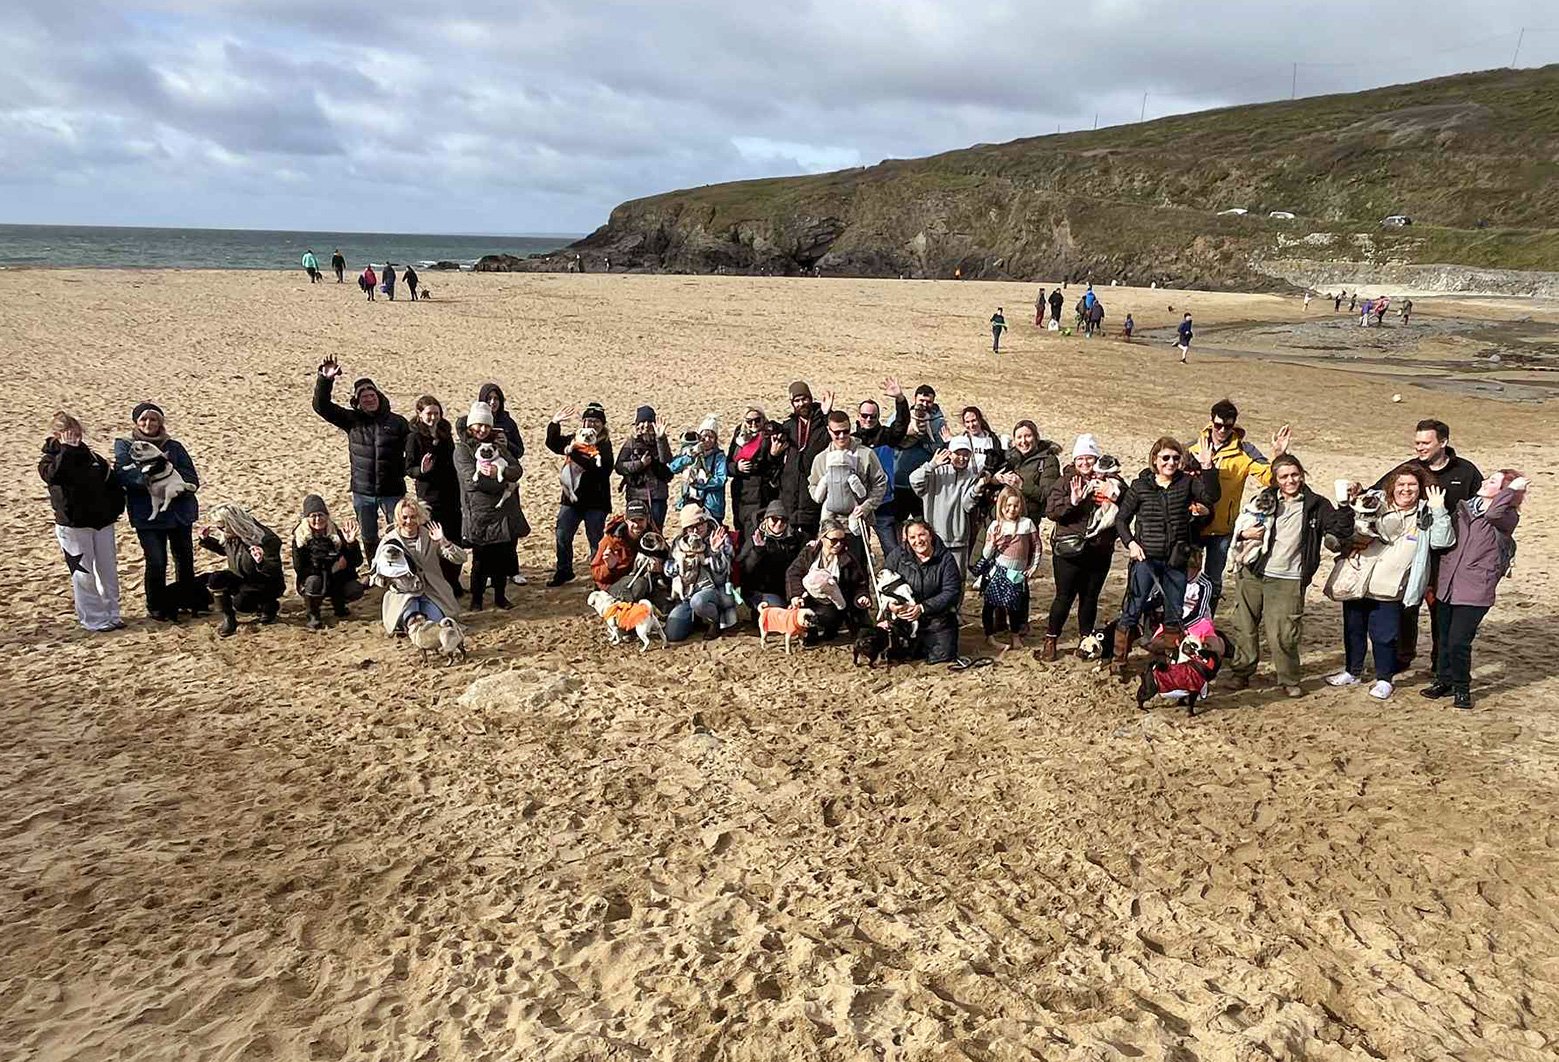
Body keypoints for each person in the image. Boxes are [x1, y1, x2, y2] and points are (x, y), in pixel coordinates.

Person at [1225, 455, 1354, 696]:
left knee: (1284, 632)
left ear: (1302, 474)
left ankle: (1289, 679)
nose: (1290, 480)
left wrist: (1345, 506)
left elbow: (1339, 531)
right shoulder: (1264, 498)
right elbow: (1240, 526)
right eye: (1284, 476)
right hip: (1252, 571)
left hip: (1289, 578)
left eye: (1294, 474)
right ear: (1276, 479)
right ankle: (1241, 672)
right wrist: (1244, 535)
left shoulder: (1317, 505)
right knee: (1244, 626)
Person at [1324, 465, 1452, 700]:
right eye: (1401, 484)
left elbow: (1442, 542)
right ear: (1392, 486)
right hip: (1358, 577)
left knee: (1385, 635)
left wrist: (1440, 511)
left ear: (1420, 488)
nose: (1406, 489)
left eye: (1412, 485)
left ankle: (1385, 679)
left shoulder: (1427, 513)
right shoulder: (1375, 502)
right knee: (1353, 629)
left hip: (1391, 586)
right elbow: (1346, 527)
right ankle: (1352, 671)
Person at [1369, 419, 1481, 674]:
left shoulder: (1466, 472)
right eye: (1417, 442)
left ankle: (1440, 664)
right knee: (1406, 607)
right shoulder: (1409, 469)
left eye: (1425, 443)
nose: (1419, 447)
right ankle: (1402, 656)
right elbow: (1378, 492)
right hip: (1412, 553)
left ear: (1443, 442)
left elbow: (1481, 510)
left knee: (1441, 613)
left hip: (1449, 556)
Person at [1112, 436, 1220, 671]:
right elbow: (1121, 519)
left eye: (1175, 458)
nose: (1170, 462)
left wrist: (1208, 467)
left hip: (1175, 558)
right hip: (1145, 558)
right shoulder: (1140, 486)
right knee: (1133, 606)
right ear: (1155, 459)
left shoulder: (1187, 483)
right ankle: (1119, 659)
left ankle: (1170, 658)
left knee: (1174, 611)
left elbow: (1212, 498)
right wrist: (1131, 543)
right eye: (1165, 458)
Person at [1423, 471, 1526, 710]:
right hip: (1448, 584)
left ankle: (1462, 687)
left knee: (1460, 641)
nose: (1483, 483)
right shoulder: (1464, 508)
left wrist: (1512, 491)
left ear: (1504, 492)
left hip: (1476, 588)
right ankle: (1443, 680)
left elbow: (1493, 513)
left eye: (1492, 482)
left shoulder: (1507, 516)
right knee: (1444, 637)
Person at [1186, 398, 1290, 613]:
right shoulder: (1194, 448)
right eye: (1218, 425)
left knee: (1214, 581)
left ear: (1234, 424)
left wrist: (1278, 455)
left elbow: (1269, 479)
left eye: (1228, 426)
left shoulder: (1245, 451)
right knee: (1187, 578)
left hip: (1223, 529)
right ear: (1211, 421)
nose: (1222, 430)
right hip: (1192, 526)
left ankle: (1207, 622)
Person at [313, 356, 409, 565]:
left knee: (399, 531)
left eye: (371, 395)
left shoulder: (397, 422)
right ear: (357, 402)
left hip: (392, 490)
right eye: (364, 397)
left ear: (379, 396)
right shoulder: (352, 421)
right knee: (368, 534)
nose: (369, 399)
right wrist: (325, 379)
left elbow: (412, 451)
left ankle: (400, 567)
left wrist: (402, 471)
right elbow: (321, 406)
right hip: (363, 491)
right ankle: (375, 566)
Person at [114, 402, 203, 622]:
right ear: (136, 422)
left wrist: (175, 487)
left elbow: (190, 477)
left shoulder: (174, 446)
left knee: (184, 558)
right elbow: (125, 476)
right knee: (156, 560)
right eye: (144, 419)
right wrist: (157, 478)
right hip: (148, 514)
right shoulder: (126, 446)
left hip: (179, 511)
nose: (148, 423)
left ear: (160, 422)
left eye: (153, 419)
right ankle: (156, 604)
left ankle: (185, 599)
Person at [39, 411, 124, 632]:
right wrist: (67, 450)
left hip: (102, 522)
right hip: (73, 525)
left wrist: (114, 509)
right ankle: (93, 619)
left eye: (77, 433)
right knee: (83, 573)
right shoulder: (50, 460)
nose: (75, 437)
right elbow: (54, 476)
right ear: (57, 435)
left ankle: (112, 613)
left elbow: (111, 483)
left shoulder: (93, 458)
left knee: (107, 570)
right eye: (68, 434)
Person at [1042, 434, 1124, 660]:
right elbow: (1052, 512)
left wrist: (1112, 494)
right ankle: (1051, 638)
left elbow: (1125, 504)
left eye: (1089, 459)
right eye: (1080, 459)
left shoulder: (1111, 480)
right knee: (1064, 597)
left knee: (1090, 598)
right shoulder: (1064, 481)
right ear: (1074, 461)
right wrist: (1074, 501)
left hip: (1099, 551)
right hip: (1069, 550)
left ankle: (1086, 640)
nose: (1085, 464)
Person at [453, 401, 526, 610]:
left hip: (503, 511)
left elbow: (516, 469)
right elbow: (471, 481)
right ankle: (477, 600)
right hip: (479, 512)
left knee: (502, 558)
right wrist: (501, 480)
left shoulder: (499, 445)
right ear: (470, 426)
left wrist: (500, 474)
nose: (483, 429)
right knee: (480, 561)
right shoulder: (462, 450)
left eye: (486, 425)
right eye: (478, 425)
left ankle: (500, 597)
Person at [545, 402, 614, 587]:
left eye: (596, 421)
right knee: (562, 534)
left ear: (602, 425)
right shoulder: (576, 438)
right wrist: (554, 423)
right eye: (588, 420)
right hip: (571, 500)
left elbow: (601, 469)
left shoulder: (604, 445)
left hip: (596, 502)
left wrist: (573, 453)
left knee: (595, 541)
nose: (592, 424)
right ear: (582, 423)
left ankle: (598, 576)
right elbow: (552, 444)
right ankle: (564, 571)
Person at [372, 498, 466, 634]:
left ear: (419, 517)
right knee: (412, 619)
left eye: (413, 517)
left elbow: (461, 558)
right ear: (398, 517)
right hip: (404, 593)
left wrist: (443, 542)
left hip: (432, 591)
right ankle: (410, 623)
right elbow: (377, 571)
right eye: (405, 517)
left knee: (434, 624)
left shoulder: (430, 535)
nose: (409, 521)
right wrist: (387, 579)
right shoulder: (389, 540)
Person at [405, 395, 465, 593]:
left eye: (436, 413)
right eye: (429, 413)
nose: (433, 417)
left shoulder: (445, 432)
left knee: (454, 539)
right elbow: (409, 468)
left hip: (451, 493)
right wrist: (422, 470)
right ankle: (439, 583)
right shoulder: (414, 437)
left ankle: (453, 581)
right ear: (419, 414)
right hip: (429, 496)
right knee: (434, 540)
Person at [882, 518, 964, 664]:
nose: (918, 541)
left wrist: (922, 608)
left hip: (937, 617)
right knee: (898, 656)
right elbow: (883, 587)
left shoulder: (946, 559)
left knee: (942, 657)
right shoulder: (896, 557)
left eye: (921, 535)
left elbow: (951, 592)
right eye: (912, 537)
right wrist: (891, 606)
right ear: (906, 539)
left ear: (930, 535)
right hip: (904, 618)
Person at [197, 504, 285, 637]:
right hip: (240, 577)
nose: (220, 530)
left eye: (222, 526)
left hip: (263, 582)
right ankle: (228, 618)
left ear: (233, 523)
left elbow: (273, 570)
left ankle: (268, 605)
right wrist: (206, 540)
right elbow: (226, 551)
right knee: (216, 579)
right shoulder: (231, 536)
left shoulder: (266, 539)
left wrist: (261, 562)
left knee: (241, 604)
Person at [784, 517, 871, 644]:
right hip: (810, 600)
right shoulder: (809, 553)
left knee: (836, 619)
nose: (838, 544)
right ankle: (811, 629)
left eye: (842, 540)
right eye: (834, 540)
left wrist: (862, 596)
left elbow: (859, 583)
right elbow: (793, 573)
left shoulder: (848, 559)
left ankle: (832, 626)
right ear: (823, 538)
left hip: (838, 604)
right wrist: (796, 595)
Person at [976, 487, 1043, 650]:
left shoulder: (1027, 524)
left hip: (1017, 573)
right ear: (1001, 506)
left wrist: (1033, 567)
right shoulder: (995, 526)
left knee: (1015, 606)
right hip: (998, 571)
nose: (1012, 510)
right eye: (1008, 506)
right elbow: (986, 554)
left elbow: (1037, 547)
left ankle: (1015, 635)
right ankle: (989, 635)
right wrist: (992, 542)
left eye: (1015, 505)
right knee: (990, 605)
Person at [852, 379, 911, 555]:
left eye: (873, 416)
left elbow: (901, 424)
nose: (868, 419)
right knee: (858, 550)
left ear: (878, 417)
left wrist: (900, 399)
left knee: (891, 549)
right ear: (858, 416)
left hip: (883, 502)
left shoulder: (887, 435)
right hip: (858, 503)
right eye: (864, 415)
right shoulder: (853, 440)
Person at [808, 410, 888, 537]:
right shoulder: (821, 458)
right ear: (829, 430)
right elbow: (813, 485)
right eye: (837, 432)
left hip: (858, 523)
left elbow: (880, 483)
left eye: (845, 431)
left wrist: (866, 506)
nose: (841, 436)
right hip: (831, 527)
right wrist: (822, 497)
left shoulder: (866, 454)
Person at [909, 437, 983, 576]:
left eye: (966, 453)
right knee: (935, 579)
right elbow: (914, 480)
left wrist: (978, 488)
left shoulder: (971, 477)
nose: (962, 458)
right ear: (950, 453)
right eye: (958, 453)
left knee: (957, 580)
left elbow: (967, 505)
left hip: (959, 541)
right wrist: (931, 465)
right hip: (935, 540)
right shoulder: (935, 473)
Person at [664, 505, 739, 641]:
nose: (695, 530)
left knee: (698, 601)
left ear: (706, 521)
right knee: (673, 634)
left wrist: (715, 552)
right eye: (690, 527)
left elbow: (722, 575)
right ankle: (695, 620)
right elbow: (669, 567)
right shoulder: (679, 542)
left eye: (699, 525)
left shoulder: (719, 537)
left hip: (713, 590)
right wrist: (677, 566)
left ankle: (714, 621)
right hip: (686, 593)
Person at [291, 494, 365, 629]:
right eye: (313, 516)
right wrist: (329, 567)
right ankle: (313, 613)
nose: (318, 519)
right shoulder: (300, 538)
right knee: (314, 582)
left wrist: (351, 544)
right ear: (306, 518)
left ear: (327, 516)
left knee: (355, 589)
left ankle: (339, 604)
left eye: (321, 515)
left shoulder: (336, 533)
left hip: (338, 579)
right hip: (314, 578)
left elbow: (357, 561)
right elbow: (300, 568)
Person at [590, 499, 671, 609]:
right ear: (626, 520)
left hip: (649, 584)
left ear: (647, 519)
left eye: (641, 520)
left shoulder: (654, 538)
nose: (637, 525)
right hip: (617, 585)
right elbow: (596, 574)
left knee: (667, 607)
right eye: (633, 520)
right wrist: (609, 567)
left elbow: (669, 561)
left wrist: (661, 567)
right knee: (640, 584)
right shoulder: (611, 541)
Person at [777, 381, 832, 536]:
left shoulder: (822, 422)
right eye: (797, 400)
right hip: (790, 496)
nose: (801, 403)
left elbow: (834, 437)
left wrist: (827, 414)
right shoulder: (788, 426)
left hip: (814, 493)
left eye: (804, 399)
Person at [887, 384, 947, 524]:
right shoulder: (899, 416)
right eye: (921, 401)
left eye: (929, 402)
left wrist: (923, 438)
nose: (925, 405)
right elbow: (888, 439)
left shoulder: (938, 422)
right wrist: (906, 433)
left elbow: (939, 449)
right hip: (898, 482)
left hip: (922, 484)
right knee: (896, 523)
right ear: (914, 399)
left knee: (924, 524)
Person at [736, 500, 805, 609]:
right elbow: (745, 570)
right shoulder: (755, 537)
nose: (778, 524)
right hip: (760, 590)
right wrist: (758, 551)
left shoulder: (796, 539)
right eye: (774, 519)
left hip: (786, 589)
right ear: (766, 519)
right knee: (776, 609)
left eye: (783, 520)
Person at [617, 405, 675, 529]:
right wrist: (640, 464)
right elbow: (619, 467)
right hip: (635, 495)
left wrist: (660, 438)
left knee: (656, 530)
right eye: (642, 423)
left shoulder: (660, 440)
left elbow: (666, 459)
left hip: (657, 496)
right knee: (635, 530)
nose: (646, 426)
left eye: (649, 422)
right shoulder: (631, 443)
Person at [996, 420, 1061, 527]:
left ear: (1036, 437)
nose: (1023, 441)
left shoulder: (1048, 460)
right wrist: (996, 479)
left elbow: (1048, 493)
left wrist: (1022, 485)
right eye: (1019, 437)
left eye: (1028, 436)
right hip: (1000, 516)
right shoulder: (1007, 457)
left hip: (1026, 520)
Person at [727, 407, 778, 539]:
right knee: (740, 530)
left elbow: (772, 465)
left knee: (756, 532)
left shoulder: (769, 436)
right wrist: (737, 467)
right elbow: (728, 466)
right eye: (749, 421)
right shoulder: (739, 437)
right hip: (740, 493)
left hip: (760, 493)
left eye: (757, 420)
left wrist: (771, 456)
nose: (753, 424)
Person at [668, 415, 731, 524]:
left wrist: (700, 484)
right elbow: (673, 467)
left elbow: (721, 479)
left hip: (711, 506)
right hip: (690, 503)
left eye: (711, 437)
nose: (707, 440)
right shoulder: (690, 453)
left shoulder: (719, 457)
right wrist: (691, 456)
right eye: (704, 436)